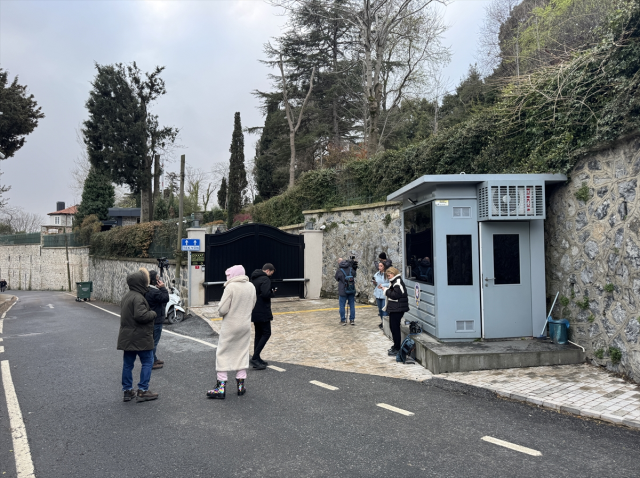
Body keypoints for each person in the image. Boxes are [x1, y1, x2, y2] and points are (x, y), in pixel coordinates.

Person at [207, 265, 257, 400]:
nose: (227, 277)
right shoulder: (251, 286)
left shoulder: (231, 287)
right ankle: (241, 386)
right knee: (242, 352)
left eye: (228, 275)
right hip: (245, 325)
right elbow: (253, 304)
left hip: (230, 325)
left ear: (233, 275)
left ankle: (221, 387)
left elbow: (223, 309)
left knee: (223, 353)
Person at [117, 268, 158, 403]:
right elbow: (141, 316)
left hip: (127, 337)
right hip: (140, 337)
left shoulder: (127, 296)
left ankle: (127, 391)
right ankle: (143, 390)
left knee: (128, 364)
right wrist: (153, 313)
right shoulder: (139, 298)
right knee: (148, 361)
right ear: (140, 282)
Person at [250, 263, 275, 370]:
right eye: (271, 273)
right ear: (268, 270)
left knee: (258, 334)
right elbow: (265, 294)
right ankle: (255, 358)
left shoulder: (254, 279)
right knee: (266, 333)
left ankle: (257, 357)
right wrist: (272, 292)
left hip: (254, 310)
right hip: (263, 311)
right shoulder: (265, 279)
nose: (271, 275)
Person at [145, 270, 170, 370]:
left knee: (152, 341)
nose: (159, 279)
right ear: (153, 280)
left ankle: (154, 359)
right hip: (156, 320)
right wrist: (163, 288)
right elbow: (165, 298)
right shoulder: (155, 292)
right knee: (154, 343)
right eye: (157, 278)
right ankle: (151, 362)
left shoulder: (146, 290)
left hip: (150, 319)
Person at [382, 266, 409, 357]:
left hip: (398, 308)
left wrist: (385, 290)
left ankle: (397, 348)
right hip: (396, 308)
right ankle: (395, 346)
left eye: (389, 276)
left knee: (395, 328)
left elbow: (395, 295)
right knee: (393, 328)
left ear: (393, 274)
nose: (388, 277)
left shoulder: (397, 282)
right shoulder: (395, 281)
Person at [335, 257, 358, 325]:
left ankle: (343, 320)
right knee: (352, 306)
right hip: (351, 289)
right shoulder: (351, 269)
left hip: (342, 290)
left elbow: (336, 278)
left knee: (342, 306)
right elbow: (354, 275)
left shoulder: (339, 270)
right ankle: (352, 320)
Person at [373, 261, 390, 330]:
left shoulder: (387, 274)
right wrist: (374, 283)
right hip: (378, 294)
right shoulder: (376, 274)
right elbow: (375, 283)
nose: (379, 267)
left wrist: (383, 285)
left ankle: (385, 325)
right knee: (380, 310)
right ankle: (383, 322)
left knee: (384, 310)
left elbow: (390, 284)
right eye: (379, 266)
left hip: (384, 294)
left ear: (384, 267)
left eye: (381, 266)